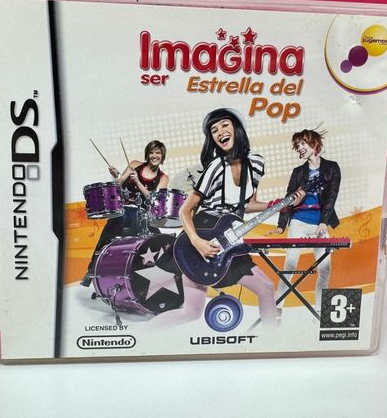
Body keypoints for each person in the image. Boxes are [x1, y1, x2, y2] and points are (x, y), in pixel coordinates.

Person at [150, 108, 303, 328]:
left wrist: (276, 205)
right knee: (191, 312)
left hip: (230, 237)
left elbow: (246, 205)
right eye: (214, 130)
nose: (219, 132)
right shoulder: (215, 167)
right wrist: (198, 242)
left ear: (236, 128)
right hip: (203, 234)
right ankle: (141, 335)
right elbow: (185, 210)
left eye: (224, 125)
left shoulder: (256, 164)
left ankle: (272, 341)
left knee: (266, 288)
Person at [269, 128, 341, 312]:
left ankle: (320, 310)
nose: (299, 148)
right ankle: (277, 307)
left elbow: (331, 196)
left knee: (325, 268)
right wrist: (281, 226)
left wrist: (323, 222)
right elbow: (288, 199)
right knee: (290, 265)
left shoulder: (332, 168)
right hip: (298, 222)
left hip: (320, 223)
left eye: (303, 144)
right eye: (297, 145)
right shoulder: (298, 172)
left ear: (314, 144)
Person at [81, 140, 169, 286]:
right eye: (151, 152)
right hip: (124, 210)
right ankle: (91, 271)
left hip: (142, 215)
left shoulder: (163, 178)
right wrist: (116, 176)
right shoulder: (135, 164)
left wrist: (138, 182)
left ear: (162, 156)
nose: (154, 155)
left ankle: (158, 281)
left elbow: (154, 200)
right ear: (147, 154)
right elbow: (118, 184)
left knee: (161, 241)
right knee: (107, 234)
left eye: (158, 153)